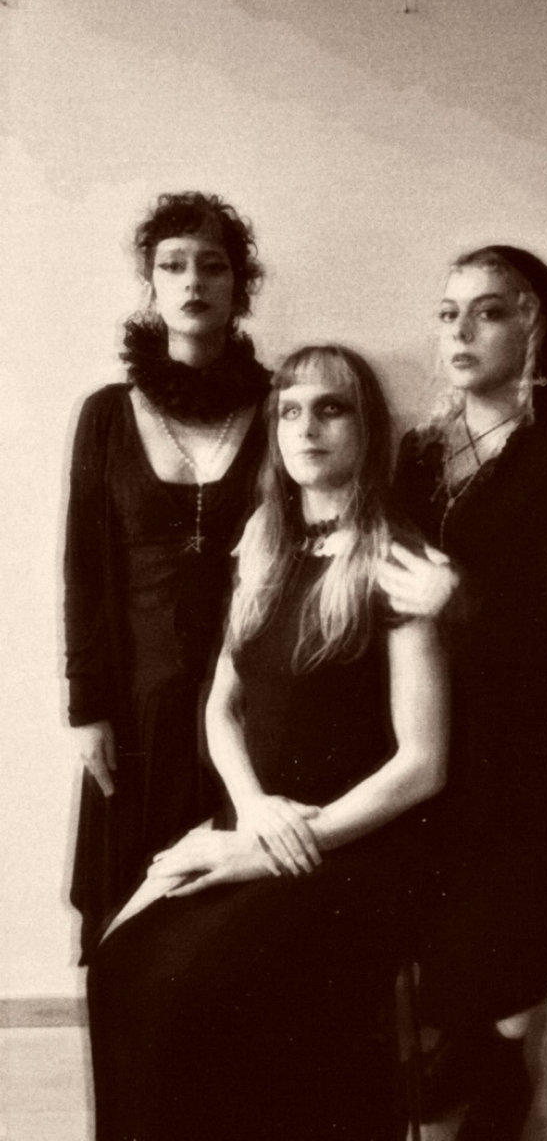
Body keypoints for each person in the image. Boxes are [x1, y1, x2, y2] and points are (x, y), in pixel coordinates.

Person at [86, 344, 449, 1141]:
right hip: (258, 822)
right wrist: (248, 813)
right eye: (290, 411)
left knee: (187, 989)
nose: (306, 427)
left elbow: (422, 766)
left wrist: (270, 844)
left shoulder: (398, 559)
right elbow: (221, 707)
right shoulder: (263, 543)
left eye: (331, 408)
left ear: (366, 428)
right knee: (117, 963)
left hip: (353, 848)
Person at [377, 246, 547, 1140]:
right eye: (448, 313)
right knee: (438, 965)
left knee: (507, 976)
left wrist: (462, 601)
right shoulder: (418, 451)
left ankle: (502, 1094)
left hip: (521, 755)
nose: (460, 330)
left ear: (532, 330)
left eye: (487, 311)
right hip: (429, 743)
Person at [64, 191, 270, 955]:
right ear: (150, 284)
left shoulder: (283, 407)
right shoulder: (107, 414)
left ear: (238, 286)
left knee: (231, 920)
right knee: (128, 905)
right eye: (173, 265)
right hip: (137, 700)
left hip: (249, 696)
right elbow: (84, 571)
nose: (193, 281)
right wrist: (87, 709)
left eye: (212, 266)